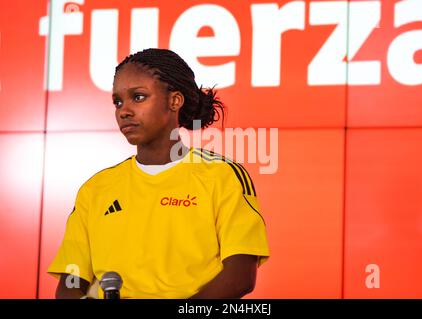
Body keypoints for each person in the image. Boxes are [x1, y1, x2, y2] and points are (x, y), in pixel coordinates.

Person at [48, 48, 270, 299]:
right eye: (118, 102)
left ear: (174, 101)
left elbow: (239, 277)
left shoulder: (223, 176)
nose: (124, 111)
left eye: (139, 97)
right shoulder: (96, 188)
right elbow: (71, 281)